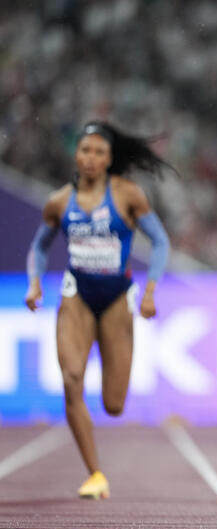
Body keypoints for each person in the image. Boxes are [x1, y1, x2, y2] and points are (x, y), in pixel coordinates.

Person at [24, 121, 171, 499]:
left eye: (99, 152)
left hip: (117, 297)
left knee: (114, 403)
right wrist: (35, 281)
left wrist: (150, 289)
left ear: (109, 159)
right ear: (77, 154)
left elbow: (160, 242)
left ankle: (97, 465)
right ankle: (95, 474)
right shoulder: (59, 201)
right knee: (71, 379)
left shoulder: (128, 195)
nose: (90, 158)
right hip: (77, 294)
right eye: (85, 150)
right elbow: (40, 247)